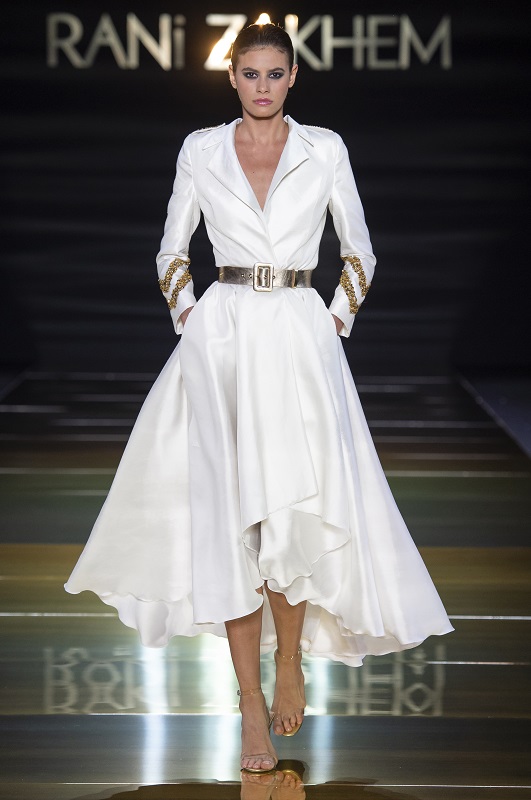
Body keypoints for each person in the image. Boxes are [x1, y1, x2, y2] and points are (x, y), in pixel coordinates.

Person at [65, 22, 453, 775]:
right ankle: (249, 702)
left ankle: (289, 663)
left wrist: (331, 323)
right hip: (222, 342)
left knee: (291, 510)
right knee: (229, 521)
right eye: (250, 73)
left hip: (300, 340)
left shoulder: (325, 149)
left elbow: (359, 250)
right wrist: (191, 319)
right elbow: (172, 248)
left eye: (275, 73)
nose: (263, 86)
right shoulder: (201, 149)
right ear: (232, 77)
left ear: (293, 76)